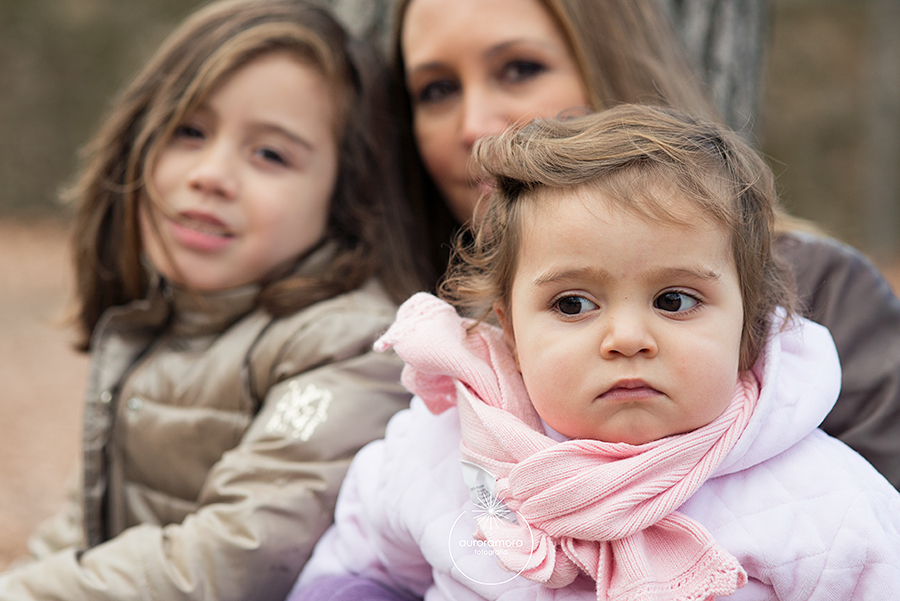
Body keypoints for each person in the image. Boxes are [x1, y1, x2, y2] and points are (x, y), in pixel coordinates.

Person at [290, 105, 900, 601]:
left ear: (748, 321)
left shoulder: (823, 501)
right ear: (510, 329)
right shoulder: (446, 453)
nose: (627, 338)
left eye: (674, 300)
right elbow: (362, 566)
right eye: (574, 306)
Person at [0, 0, 418, 599]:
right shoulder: (170, 319)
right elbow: (83, 530)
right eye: (189, 132)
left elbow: (236, 557)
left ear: (346, 195)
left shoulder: (352, 344)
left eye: (270, 154)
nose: (212, 173)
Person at [391, 0, 900, 487]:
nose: (475, 125)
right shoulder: (397, 307)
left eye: (520, 69)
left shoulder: (824, 289)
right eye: (437, 90)